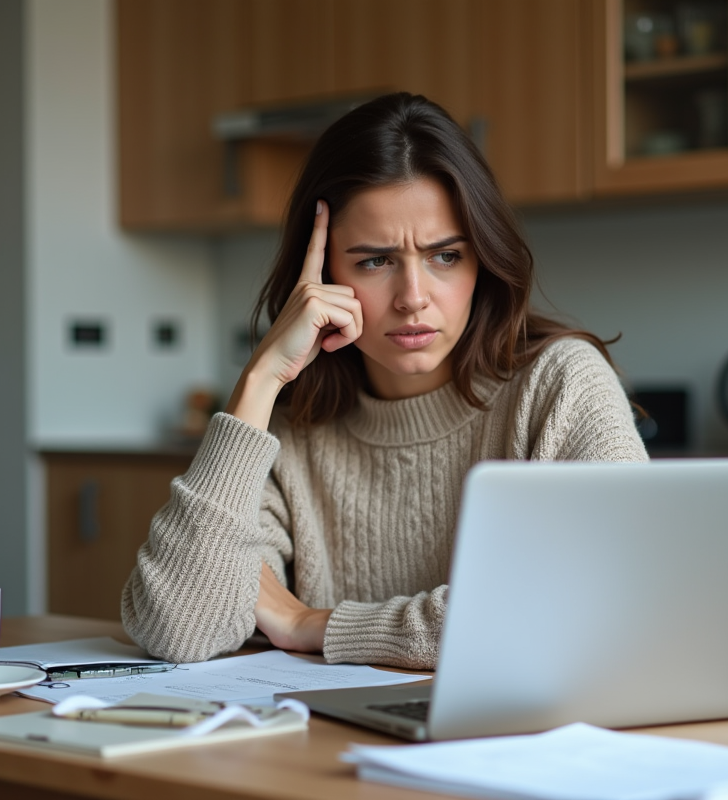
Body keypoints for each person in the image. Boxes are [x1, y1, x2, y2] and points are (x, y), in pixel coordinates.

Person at [121, 92, 648, 670]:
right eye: (375, 261)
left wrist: (312, 624)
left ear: (483, 261)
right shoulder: (291, 424)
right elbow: (176, 630)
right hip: (322, 747)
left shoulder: (561, 384)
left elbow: (600, 605)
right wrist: (260, 380)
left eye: (445, 256)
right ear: (322, 274)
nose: (413, 298)